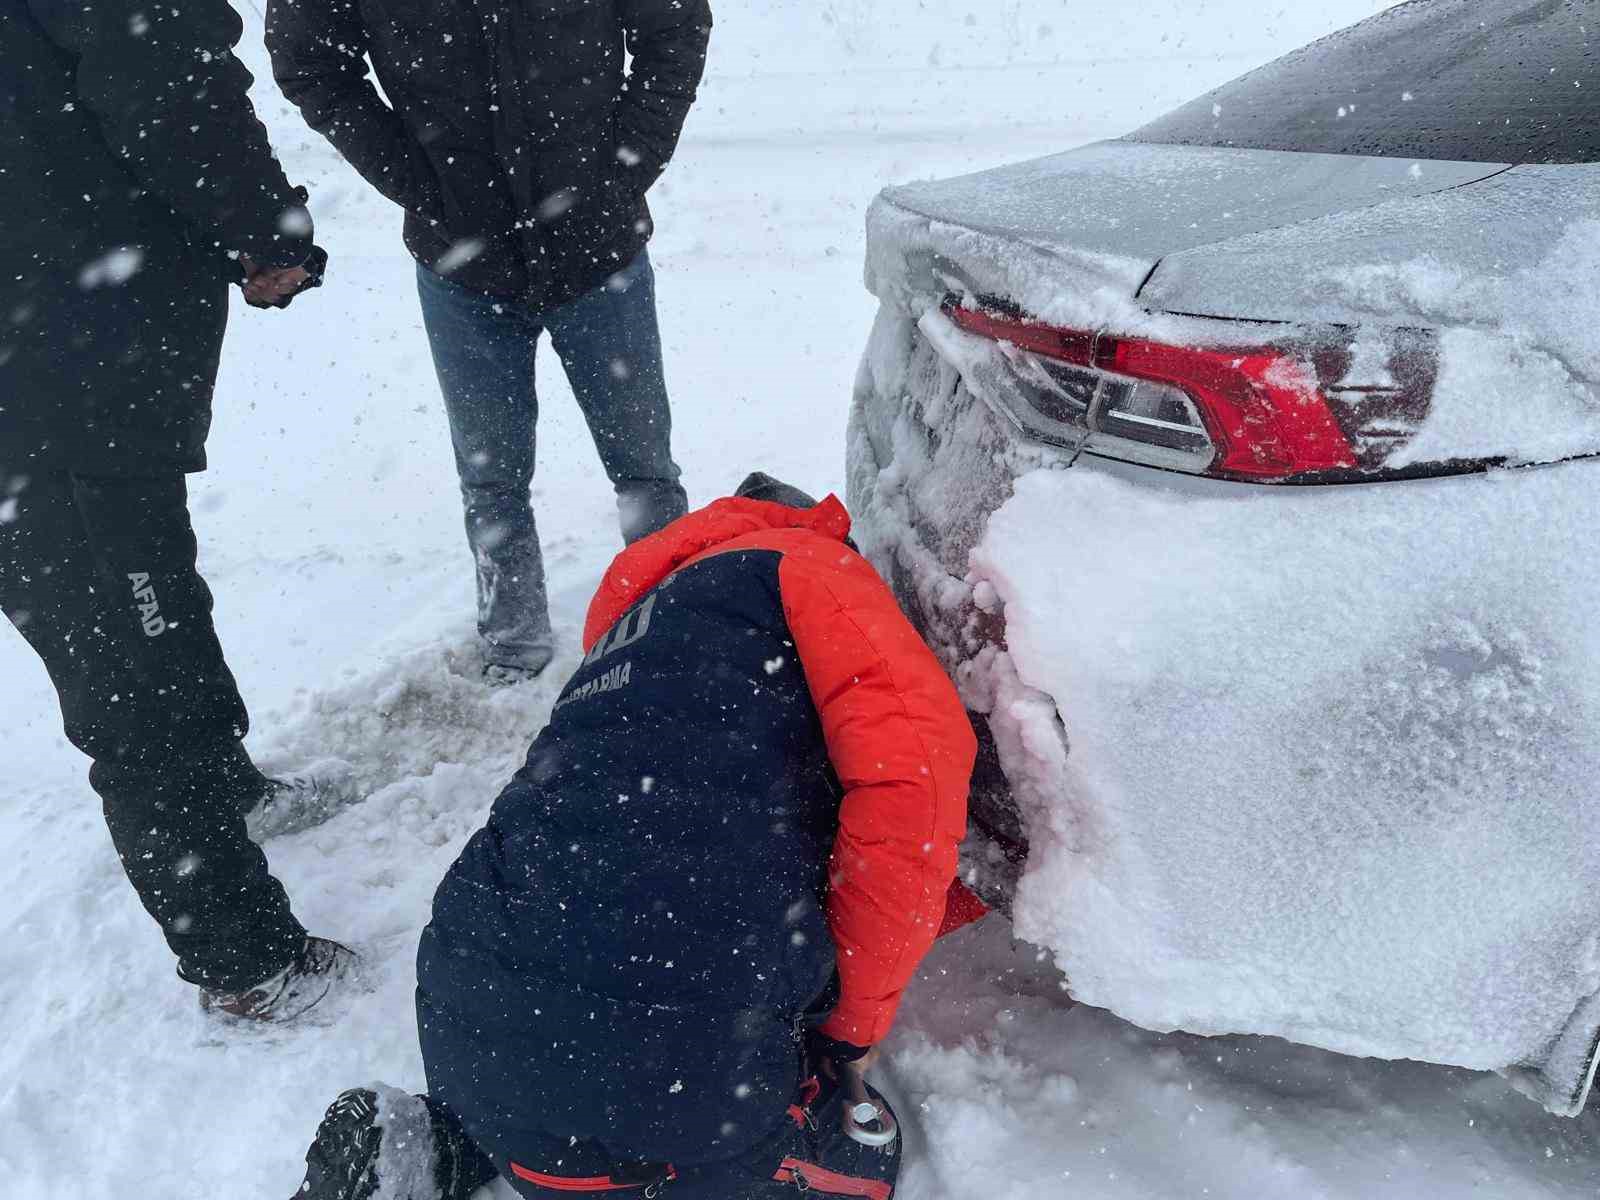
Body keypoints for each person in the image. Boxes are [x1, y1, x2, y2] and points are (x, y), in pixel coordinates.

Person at [287, 474, 979, 1199]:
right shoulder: (815, 569)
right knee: (858, 1159)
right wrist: (849, 1031)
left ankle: (445, 1147)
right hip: (682, 1068)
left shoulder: (630, 632)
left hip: (466, 1012)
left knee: (553, 1098)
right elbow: (914, 798)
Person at [0, 0, 356, 1020]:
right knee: (126, 661)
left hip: (61, 363)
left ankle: (226, 786)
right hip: (54, 378)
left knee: (150, 590)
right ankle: (245, 967)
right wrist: (265, 233)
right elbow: (168, 91)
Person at [266, 0, 713, 685]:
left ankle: (666, 629)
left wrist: (623, 168)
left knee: (644, 466)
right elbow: (309, 58)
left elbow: (675, 25)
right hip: (462, 263)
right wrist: (420, 181)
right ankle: (514, 649)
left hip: (599, 249)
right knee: (492, 478)